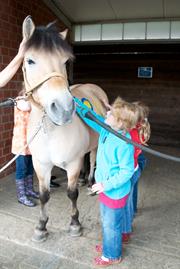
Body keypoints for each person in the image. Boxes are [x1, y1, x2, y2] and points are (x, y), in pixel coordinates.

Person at [74, 96, 137, 267]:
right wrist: (75, 102)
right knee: (108, 222)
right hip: (104, 189)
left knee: (111, 225)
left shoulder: (124, 144)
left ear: (120, 122)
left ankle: (112, 255)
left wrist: (105, 185)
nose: (106, 112)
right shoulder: (106, 128)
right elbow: (90, 116)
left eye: (110, 113)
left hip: (114, 192)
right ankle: (111, 244)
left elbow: (126, 172)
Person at [11, 90, 39, 207]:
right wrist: (34, 99)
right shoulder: (19, 101)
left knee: (29, 168)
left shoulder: (32, 102)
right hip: (20, 143)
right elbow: (27, 107)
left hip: (30, 142)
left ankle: (29, 190)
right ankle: (21, 195)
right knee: (21, 169)